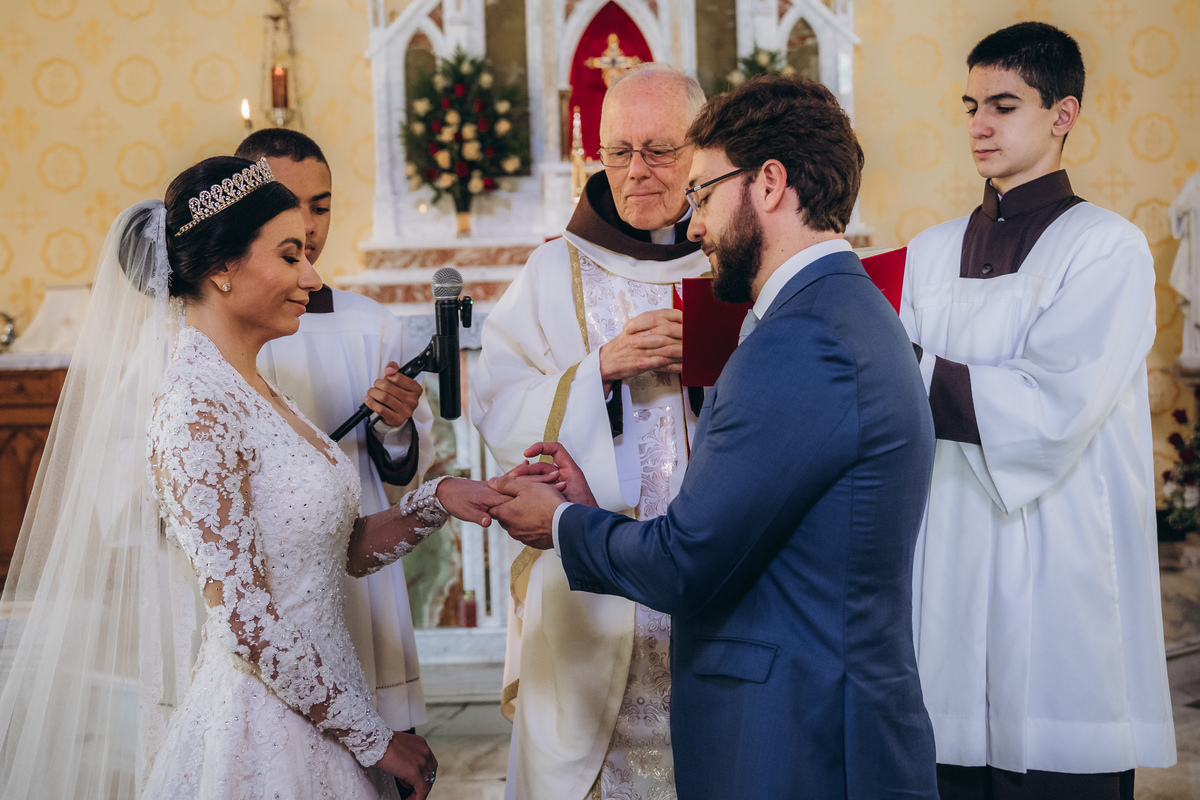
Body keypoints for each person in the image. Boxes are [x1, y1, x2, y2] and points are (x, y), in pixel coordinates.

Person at [489, 75, 940, 799]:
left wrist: (564, 523)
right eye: (618, 151)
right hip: (801, 697)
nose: (693, 223)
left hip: (801, 728)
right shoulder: (841, 310)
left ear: (769, 184)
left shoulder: (799, 340)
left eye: (699, 189)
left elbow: (685, 561)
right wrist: (597, 379)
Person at [0, 156, 506, 800]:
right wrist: (375, 739)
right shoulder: (196, 406)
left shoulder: (256, 389)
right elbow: (243, 619)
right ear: (222, 268)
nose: (312, 275)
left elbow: (335, 550)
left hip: (324, 698)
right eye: (290, 256)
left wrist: (440, 498)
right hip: (264, 728)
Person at [899, 22, 1175, 800]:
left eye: (1004, 105)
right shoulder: (926, 252)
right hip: (945, 552)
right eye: (970, 106)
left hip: (1058, 556)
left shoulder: (1107, 247)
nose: (979, 126)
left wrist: (886, 367)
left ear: (1063, 114)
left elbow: (1051, 405)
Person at [469, 64, 710, 800]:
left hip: (715, 568)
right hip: (594, 583)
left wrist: (711, 362)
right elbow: (498, 402)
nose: (636, 171)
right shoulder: (552, 269)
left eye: (659, 151)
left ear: (702, 149)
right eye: (618, 152)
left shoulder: (732, 258)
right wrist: (596, 371)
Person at [235, 130, 436, 741]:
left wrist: (396, 426)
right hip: (257, 574)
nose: (307, 225)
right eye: (285, 205)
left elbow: (405, 468)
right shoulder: (213, 331)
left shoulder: (369, 324)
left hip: (353, 564)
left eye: (320, 207)